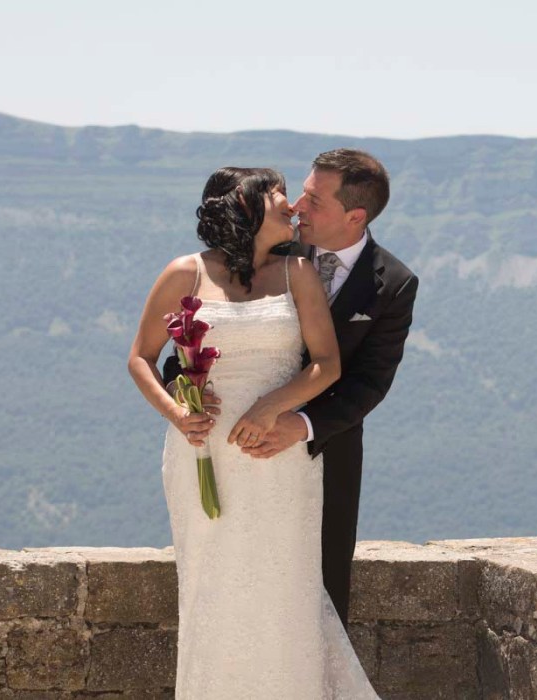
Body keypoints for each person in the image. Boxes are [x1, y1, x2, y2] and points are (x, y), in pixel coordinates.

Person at [129, 166, 380, 697]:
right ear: (242, 205)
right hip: (202, 454)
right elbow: (141, 359)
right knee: (210, 587)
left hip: (279, 456)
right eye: (277, 193)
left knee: (284, 587)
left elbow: (328, 365)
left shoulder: (298, 273)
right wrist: (177, 411)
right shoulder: (184, 272)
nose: (291, 204)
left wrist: (273, 407)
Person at [175, 149, 419, 630]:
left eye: (314, 200)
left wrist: (301, 425)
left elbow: (370, 381)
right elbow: (186, 347)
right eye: (301, 193)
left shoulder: (393, 284)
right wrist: (183, 395)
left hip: (326, 451)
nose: (296, 206)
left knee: (319, 594)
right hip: (230, 451)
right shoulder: (266, 249)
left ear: (355, 216)